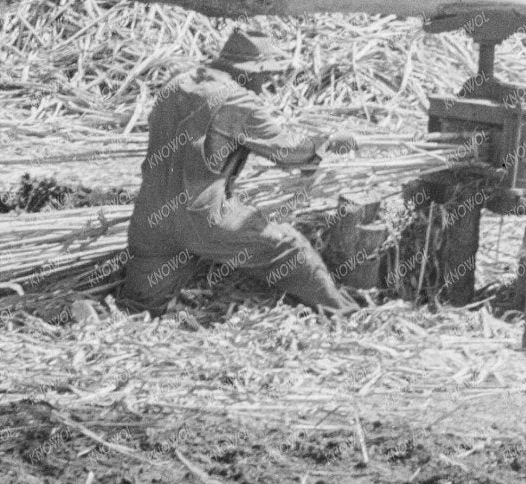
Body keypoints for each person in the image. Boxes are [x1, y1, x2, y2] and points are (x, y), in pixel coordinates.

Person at [120, 28, 361, 315]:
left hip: (149, 222)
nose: (266, 82)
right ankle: (346, 314)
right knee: (290, 247)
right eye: (264, 74)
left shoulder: (177, 84)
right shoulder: (235, 99)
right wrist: (328, 141)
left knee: (138, 308)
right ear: (249, 71)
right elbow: (289, 152)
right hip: (202, 220)